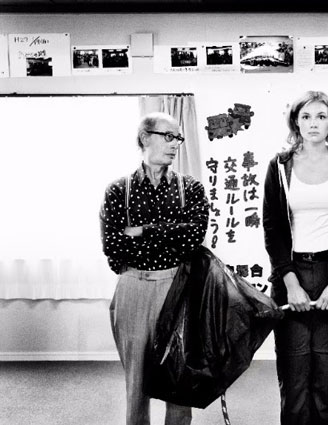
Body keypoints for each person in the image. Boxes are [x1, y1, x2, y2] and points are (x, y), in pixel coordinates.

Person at [262, 90, 328, 425]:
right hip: (291, 274)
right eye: (306, 116)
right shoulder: (279, 166)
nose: (313, 123)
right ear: (296, 122)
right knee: (294, 377)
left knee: (327, 377)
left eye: (321, 116)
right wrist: (290, 283)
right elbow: (273, 229)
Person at [99, 112, 209, 425]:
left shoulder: (191, 188)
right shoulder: (118, 190)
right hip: (133, 286)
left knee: (180, 377)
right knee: (136, 380)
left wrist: (143, 231)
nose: (175, 144)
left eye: (178, 138)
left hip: (177, 285)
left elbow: (193, 237)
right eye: (168, 136)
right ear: (145, 137)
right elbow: (113, 245)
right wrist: (171, 233)